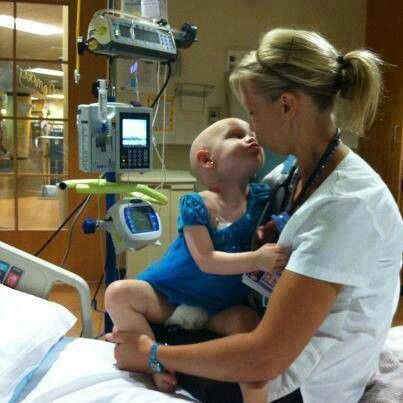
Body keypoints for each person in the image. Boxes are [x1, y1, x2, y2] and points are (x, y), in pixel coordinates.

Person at [106, 28, 403, 403]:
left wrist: (151, 353)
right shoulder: (290, 176)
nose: (253, 128)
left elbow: (263, 358)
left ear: (286, 106)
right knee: (155, 323)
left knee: (150, 344)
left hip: (300, 385)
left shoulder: (349, 205)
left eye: (252, 112)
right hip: (276, 350)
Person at [105, 117, 289, 403]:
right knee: (118, 293)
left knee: (247, 322)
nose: (251, 138)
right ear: (207, 160)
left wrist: (269, 233)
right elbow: (205, 259)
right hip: (170, 296)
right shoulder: (197, 204)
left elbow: (269, 231)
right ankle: (154, 362)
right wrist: (258, 259)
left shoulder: (264, 198)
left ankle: (255, 396)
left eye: (253, 134)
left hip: (219, 309)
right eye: (237, 135)